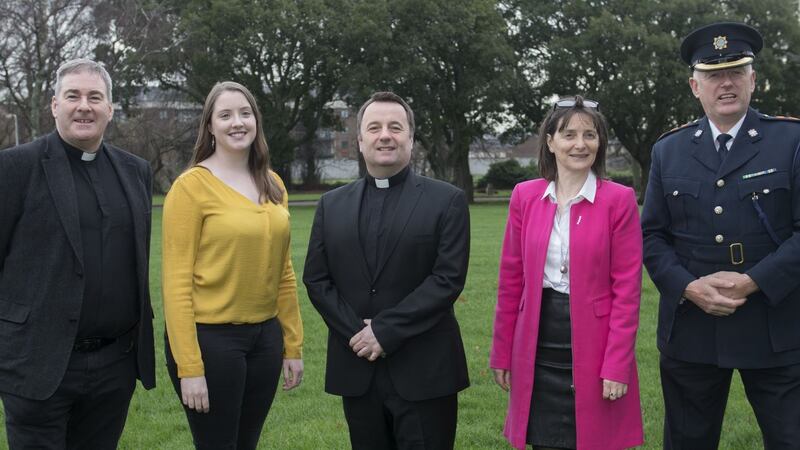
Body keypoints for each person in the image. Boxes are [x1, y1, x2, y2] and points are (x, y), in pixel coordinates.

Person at [642, 22, 800, 449]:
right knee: (688, 441)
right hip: (694, 326)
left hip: (775, 323)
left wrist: (753, 281)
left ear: (753, 79)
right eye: (713, 75)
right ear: (696, 86)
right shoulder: (668, 150)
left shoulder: (791, 141)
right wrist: (688, 287)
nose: (725, 83)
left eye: (735, 71)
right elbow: (652, 236)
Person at [0, 58, 155, 449]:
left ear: (110, 109)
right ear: (55, 105)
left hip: (114, 366)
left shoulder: (135, 171)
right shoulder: (15, 168)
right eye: (73, 96)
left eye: (94, 97)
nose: (83, 106)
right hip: (37, 365)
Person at [303, 91, 470, 449]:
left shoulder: (447, 201)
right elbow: (317, 280)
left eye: (396, 127)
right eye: (374, 127)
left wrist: (385, 331)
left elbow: (447, 279)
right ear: (360, 140)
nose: (385, 135)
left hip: (425, 370)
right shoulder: (331, 205)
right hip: (357, 368)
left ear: (410, 138)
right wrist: (359, 336)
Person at [490, 96, 644, 450]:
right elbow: (510, 282)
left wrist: (617, 364)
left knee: (593, 440)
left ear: (600, 143)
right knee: (543, 440)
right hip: (537, 339)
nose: (580, 144)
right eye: (569, 134)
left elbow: (627, 291)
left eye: (590, 135)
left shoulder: (618, 200)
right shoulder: (524, 196)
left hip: (595, 342)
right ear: (550, 141)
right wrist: (501, 353)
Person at [162, 81, 304, 450]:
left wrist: (292, 345)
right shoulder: (190, 188)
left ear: (256, 121)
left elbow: (284, 273)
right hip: (211, 341)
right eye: (224, 115)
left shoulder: (273, 184)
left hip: (264, 340)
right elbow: (175, 284)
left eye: (245, 113)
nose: (236, 122)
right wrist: (189, 368)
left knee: (246, 443)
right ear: (209, 126)